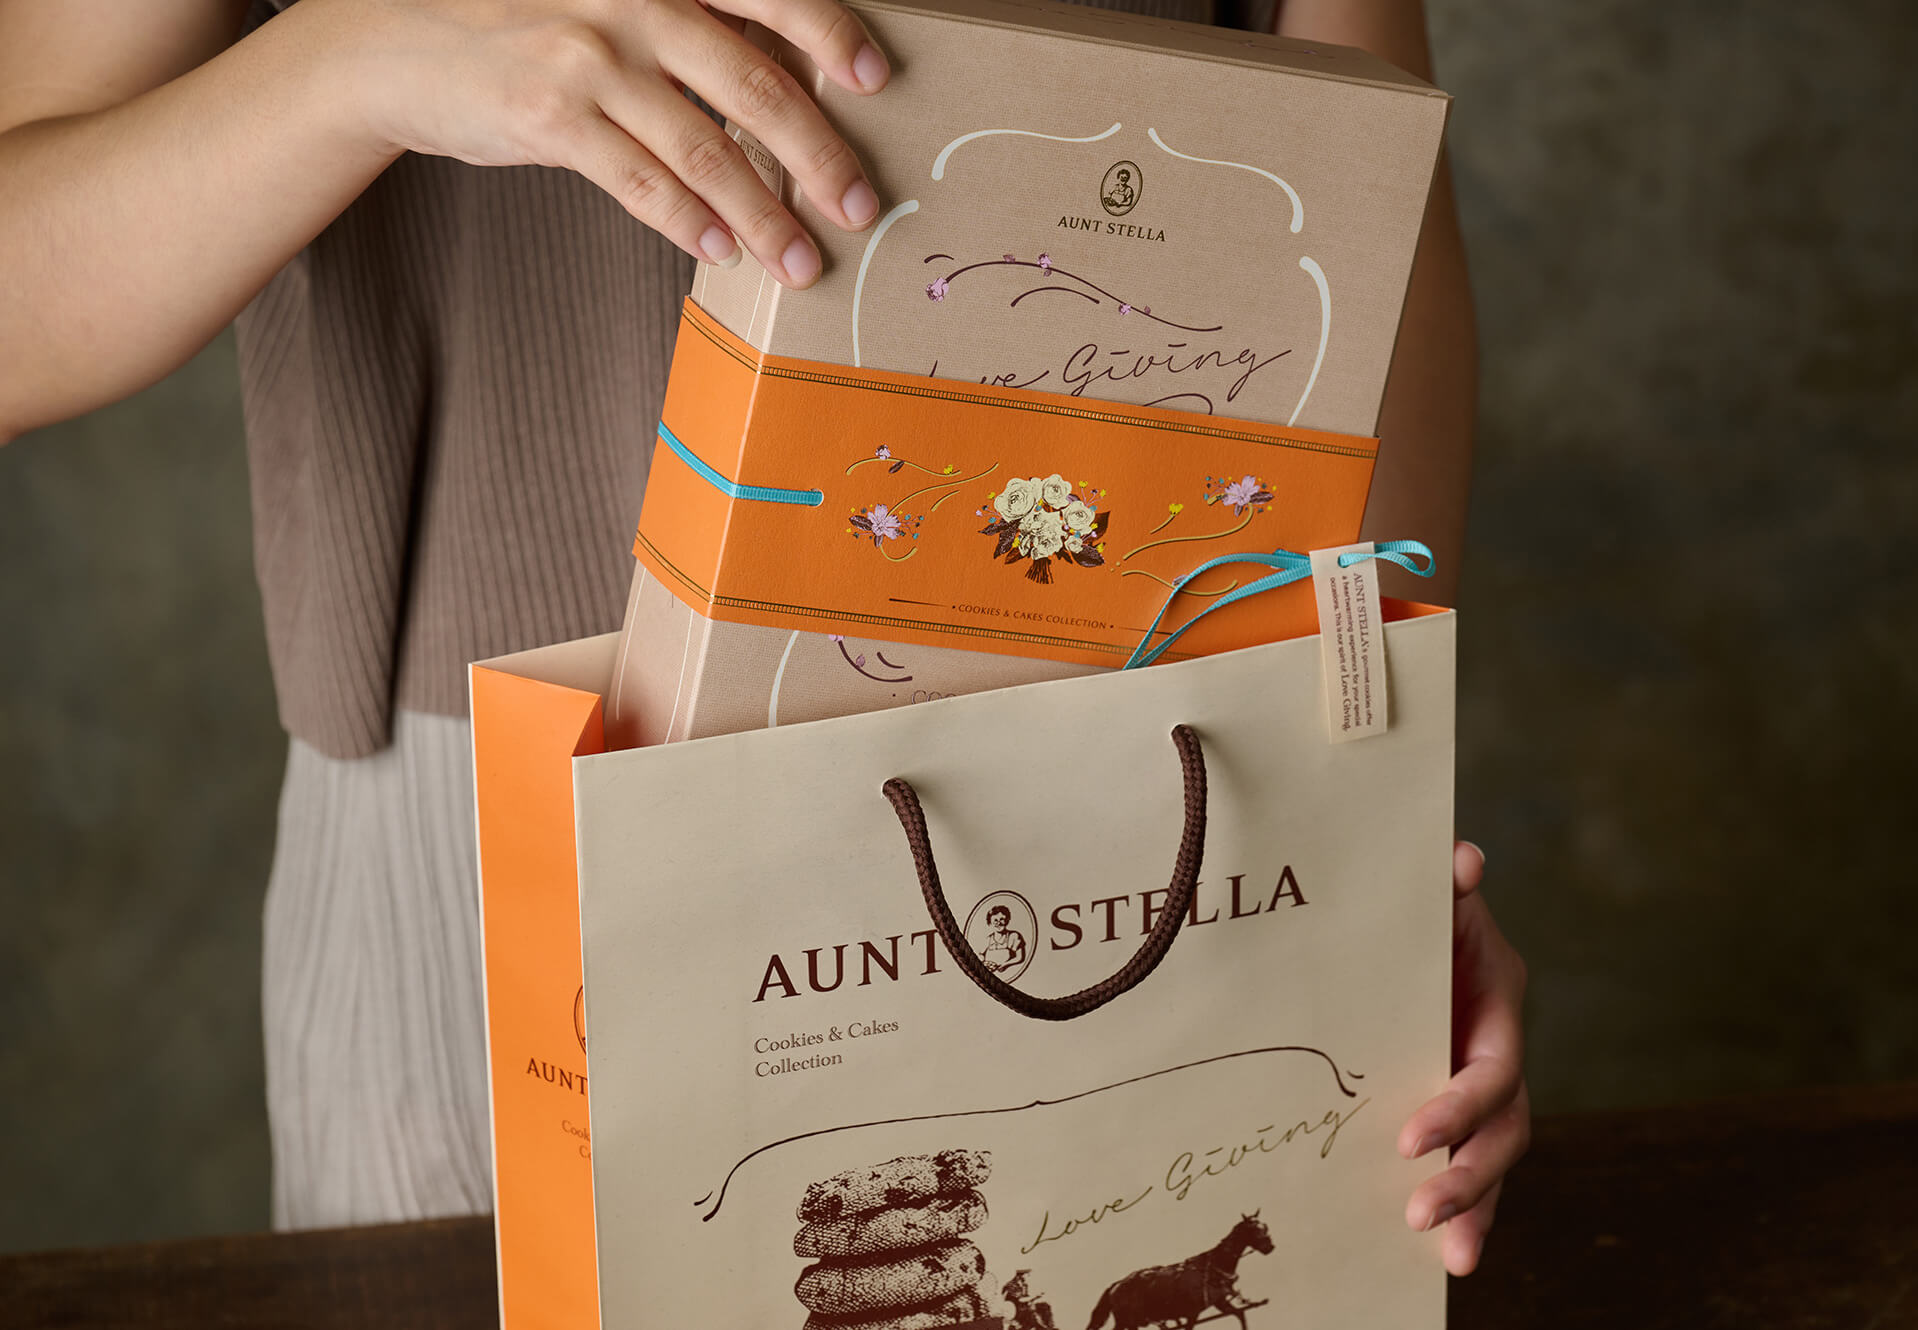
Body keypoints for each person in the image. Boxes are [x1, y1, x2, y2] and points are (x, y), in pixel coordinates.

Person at [0, 0, 1525, 1277]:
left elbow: (1365, 197)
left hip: (1146, 809)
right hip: (487, 845)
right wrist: (358, 51)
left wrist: (1362, 839)